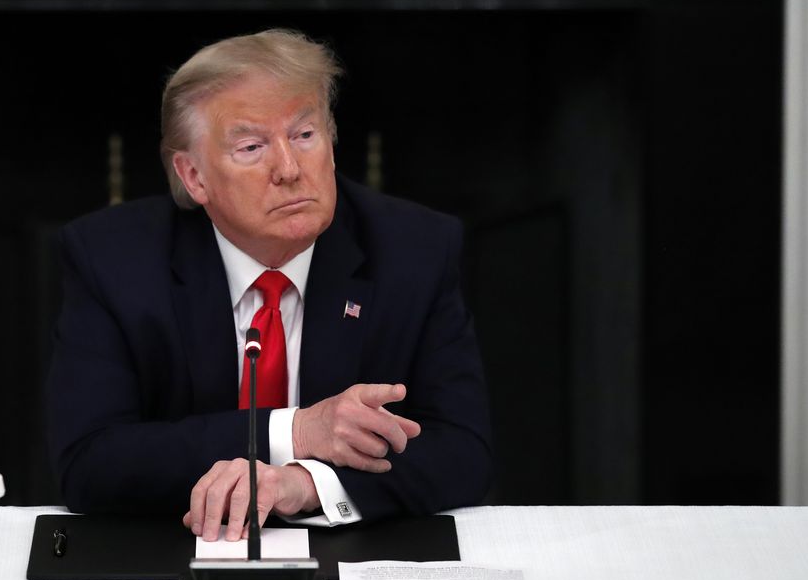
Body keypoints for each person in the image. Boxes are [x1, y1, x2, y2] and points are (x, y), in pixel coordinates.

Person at [47, 29, 491, 541]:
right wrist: (296, 430)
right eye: (252, 147)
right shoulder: (112, 259)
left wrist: (303, 483)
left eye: (305, 135)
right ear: (194, 177)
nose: (289, 169)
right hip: (173, 549)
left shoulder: (415, 250)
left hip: (354, 554)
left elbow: (463, 450)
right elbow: (89, 462)